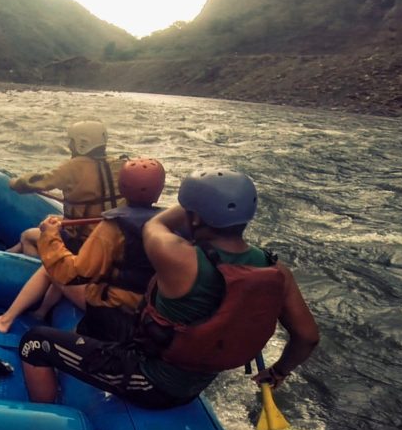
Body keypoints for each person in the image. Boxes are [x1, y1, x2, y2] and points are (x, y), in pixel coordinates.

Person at [17, 168, 320, 409]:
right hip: (195, 383)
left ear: (196, 215)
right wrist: (279, 372)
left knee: (34, 342)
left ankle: (47, 422)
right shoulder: (275, 269)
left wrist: (190, 204)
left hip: (150, 380)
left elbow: (155, 224)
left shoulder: (177, 257)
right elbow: (307, 337)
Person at [0, 158, 169, 335]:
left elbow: (72, 273)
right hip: (144, 306)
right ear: (159, 189)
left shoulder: (112, 228)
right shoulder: (167, 224)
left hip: (114, 306)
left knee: (50, 269)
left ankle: (6, 319)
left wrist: (49, 234)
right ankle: (40, 312)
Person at [6, 120, 125, 258]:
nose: (69, 146)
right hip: (109, 236)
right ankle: (8, 253)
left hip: (82, 240)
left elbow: (37, 182)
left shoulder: (73, 167)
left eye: (72, 142)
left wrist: (14, 183)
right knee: (49, 219)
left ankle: (44, 274)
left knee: (26, 236)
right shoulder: (119, 165)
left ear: (82, 143)